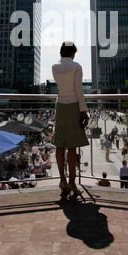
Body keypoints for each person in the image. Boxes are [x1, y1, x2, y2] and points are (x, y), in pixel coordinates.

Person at [52, 41, 89, 195]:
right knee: (72, 146)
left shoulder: (54, 67)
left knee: (60, 144)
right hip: (74, 105)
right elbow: (79, 91)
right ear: (72, 52)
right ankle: (73, 183)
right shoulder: (76, 66)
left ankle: (62, 181)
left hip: (60, 105)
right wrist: (84, 111)